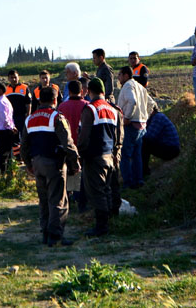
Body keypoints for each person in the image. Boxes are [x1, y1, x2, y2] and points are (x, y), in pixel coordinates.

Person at [21, 87, 80, 247]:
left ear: (39, 100)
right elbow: (68, 144)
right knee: (58, 200)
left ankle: (45, 233)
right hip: (54, 163)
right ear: (55, 100)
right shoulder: (56, 117)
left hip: (37, 163)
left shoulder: (30, 119)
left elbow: (24, 145)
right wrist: (75, 164)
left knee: (43, 200)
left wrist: (28, 164)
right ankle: (56, 236)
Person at [77, 78, 123, 236]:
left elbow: (83, 137)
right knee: (109, 189)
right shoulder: (113, 110)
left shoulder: (90, 109)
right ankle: (112, 219)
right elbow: (118, 137)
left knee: (97, 192)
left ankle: (102, 227)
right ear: (103, 91)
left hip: (94, 157)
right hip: (110, 156)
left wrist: (80, 155)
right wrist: (116, 154)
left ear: (89, 91)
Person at [116, 66, 157, 189]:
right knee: (137, 155)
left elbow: (132, 101)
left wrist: (127, 117)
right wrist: (145, 117)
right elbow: (152, 104)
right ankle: (139, 180)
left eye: (119, 75)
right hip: (141, 126)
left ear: (126, 75)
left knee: (125, 155)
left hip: (131, 125)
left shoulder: (128, 85)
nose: (118, 77)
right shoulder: (140, 86)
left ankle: (128, 183)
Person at [57, 80, 90, 212]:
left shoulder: (62, 107)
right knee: (82, 172)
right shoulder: (87, 105)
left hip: (68, 144)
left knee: (70, 171)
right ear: (82, 91)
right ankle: (81, 198)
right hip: (83, 144)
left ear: (69, 91)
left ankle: (69, 197)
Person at [142, 107, 180, 176]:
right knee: (145, 142)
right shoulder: (155, 117)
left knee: (145, 143)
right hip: (170, 147)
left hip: (171, 149)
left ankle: (144, 171)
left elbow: (149, 136)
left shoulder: (157, 118)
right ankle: (143, 170)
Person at [5, 70, 32, 160]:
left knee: (24, 137)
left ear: (18, 77)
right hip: (11, 118)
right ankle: (18, 158)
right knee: (14, 138)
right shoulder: (6, 89)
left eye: (15, 77)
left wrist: (28, 115)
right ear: (8, 78)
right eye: (11, 77)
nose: (14, 79)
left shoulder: (24, 88)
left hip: (22, 116)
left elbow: (28, 103)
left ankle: (27, 156)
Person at [0, 82, 18, 175]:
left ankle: (2, 175)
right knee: (6, 153)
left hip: (3, 131)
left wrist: (10, 127)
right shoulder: (4, 101)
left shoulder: (1, 102)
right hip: (5, 129)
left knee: (3, 154)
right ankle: (8, 173)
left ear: (0, 90)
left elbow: (5, 117)